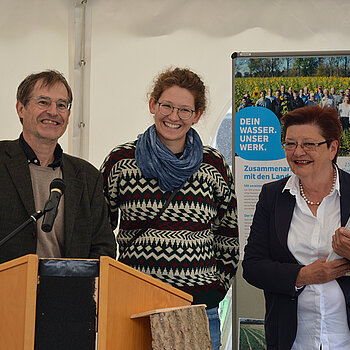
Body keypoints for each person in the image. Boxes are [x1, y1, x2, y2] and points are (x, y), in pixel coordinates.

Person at [101, 67, 239, 350]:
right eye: (167, 106)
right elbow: (99, 228)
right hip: (133, 307)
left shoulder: (213, 165)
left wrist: (217, 288)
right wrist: (115, 284)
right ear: (153, 104)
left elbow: (228, 232)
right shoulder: (121, 160)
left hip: (197, 307)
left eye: (184, 110)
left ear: (197, 115)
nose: (173, 117)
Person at [242, 105, 350, 350]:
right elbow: (253, 266)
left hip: (344, 338)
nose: (298, 152)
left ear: (332, 148)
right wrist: (303, 276)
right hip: (291, 340)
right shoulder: (272, 195)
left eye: (309, 144)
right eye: (290, 144)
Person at [0, 70, 116, 264]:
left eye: (61, 105)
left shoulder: (87, 176)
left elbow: (103, 247)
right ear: (21, 108)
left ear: (69, 115)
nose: (53, 112)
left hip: (68, 290)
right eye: (43, 102)